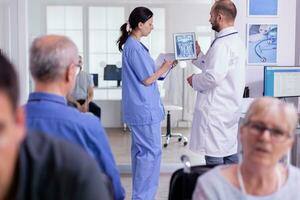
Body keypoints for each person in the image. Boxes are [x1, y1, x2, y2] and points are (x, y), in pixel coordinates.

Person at [0, 53, 113, 200]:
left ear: (19, 122)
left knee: (96, 110)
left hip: (84, 101)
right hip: (73, 101)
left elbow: (91, 92)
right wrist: (78, 104)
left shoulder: (79, 171)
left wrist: (86, 102)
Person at [25, 35, 125, 200]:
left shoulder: (9, 122)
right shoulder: (88, 125)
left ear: (33, 71)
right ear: (70, 72)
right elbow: (115, 192)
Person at [117, 7, 177, 200]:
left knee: (143, 154)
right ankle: (143, 197)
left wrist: (165, 68)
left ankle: (142, 196)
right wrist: (164, 67)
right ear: (140, 24)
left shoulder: (135, 46)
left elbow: (151, 75)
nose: (152, 27)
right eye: (150, 23)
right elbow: (147, 79)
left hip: (143, 109)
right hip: (143, 110)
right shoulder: (133, 47)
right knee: (149, 155)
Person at [192, 97, 300, 200]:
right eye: (257, 127)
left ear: (289, 143)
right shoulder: (211, 185)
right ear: (242, 131)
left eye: (277, 132)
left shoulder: (297, 185)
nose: (264, 138)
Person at [187, 0, 245, 165]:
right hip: (228, 110)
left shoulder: (222, 44)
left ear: (219, 17)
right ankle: (233, 190)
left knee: (215, 161)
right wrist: (198, 55)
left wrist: (194, 80)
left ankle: (217, 190)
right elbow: (214, 67)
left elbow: (213, 77)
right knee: (229, 155)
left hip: (216, 113)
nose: (209, 19)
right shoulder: (235, 41)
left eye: (211, 15)